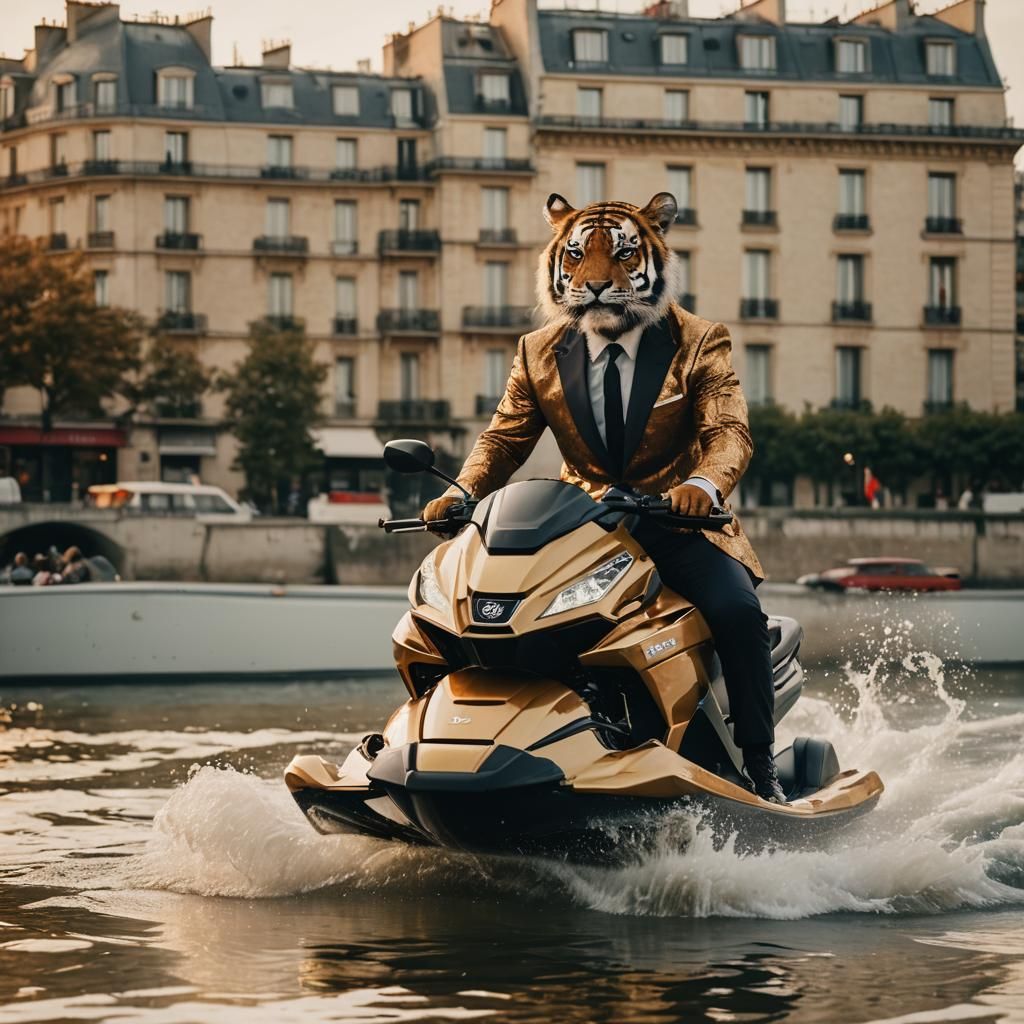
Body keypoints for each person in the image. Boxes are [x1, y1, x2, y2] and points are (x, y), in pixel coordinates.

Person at [423, 191, 786, 804]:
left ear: (655, 257)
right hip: (586, 527)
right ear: (557, 266)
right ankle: (460, 749)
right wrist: (462, 492)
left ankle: (759, 767)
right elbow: (505, 439)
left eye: (621, 259)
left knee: (737, 612)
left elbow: (729, 432)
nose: (596, 280)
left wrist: (702, 486)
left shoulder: (699, 341)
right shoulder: (538, 351)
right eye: (577, 260)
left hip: (678, 525)